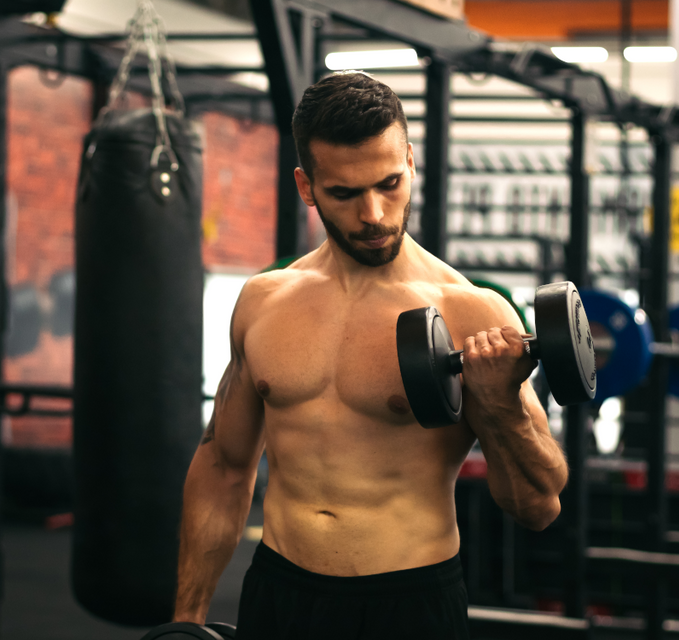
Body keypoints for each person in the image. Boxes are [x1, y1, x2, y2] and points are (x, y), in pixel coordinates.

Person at [173, 72, 568, 639]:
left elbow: (538, 506)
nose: (375, 214)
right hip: (280, 593)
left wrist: (499, 403)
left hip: (406, 604)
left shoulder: (472, 313)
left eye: (389, 183)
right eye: (345, 193)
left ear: (410, 161)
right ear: (307, 187)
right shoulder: (264, 301)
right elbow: (223, 467)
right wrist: (186, 619)